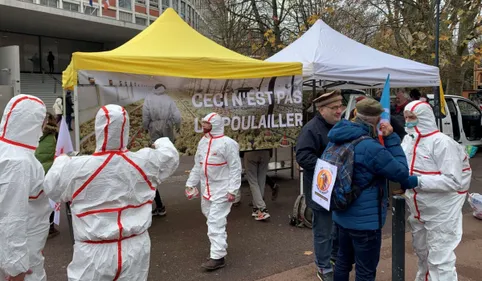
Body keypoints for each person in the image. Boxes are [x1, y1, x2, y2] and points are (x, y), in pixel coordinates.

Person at [43, 104, 180, 281]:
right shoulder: (144, 161)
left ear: (99, 128)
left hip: (93, 253)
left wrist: (62, 160)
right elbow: (170, 156)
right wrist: (161, 141)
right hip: (135, 248)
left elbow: (52, 188)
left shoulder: (76, 167)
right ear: (126, 129)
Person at [329, 99, 411, 281]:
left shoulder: (337, 136)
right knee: (365, 270)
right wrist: (391, 138)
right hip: (366, 222)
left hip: (341, 212)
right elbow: (401, 172)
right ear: (376, 119)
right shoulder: (371, 147)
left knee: (342, 261)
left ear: (356, 114)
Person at [401, 101, 472, 281]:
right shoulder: (408, 140)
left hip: (442, 211)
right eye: (406, 117)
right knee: (423, 253)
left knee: (440, 260)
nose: (408, 121)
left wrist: (418, 180)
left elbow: (453, 180)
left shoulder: (442, 143)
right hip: (419, 209)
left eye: (412, 117)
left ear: (424, 117)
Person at [0, 94, 51, 281]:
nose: (44, 125)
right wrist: (16, 268)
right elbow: (11, 216)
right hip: (22, 262)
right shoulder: (18, 161)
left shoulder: (9, 151)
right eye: (42, 119)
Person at [295, 90, 343, 281]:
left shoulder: (340, 125)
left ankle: (333, 258)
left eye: (340, 106)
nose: (339, 110)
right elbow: (303, 157)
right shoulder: (311, 129)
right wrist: (329, 168)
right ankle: (323, 267)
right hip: (320, 190)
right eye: (334, 108)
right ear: (322, 110)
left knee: (338, 227)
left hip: (339, 190)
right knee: (323, 230)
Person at [185, 112, 242, 271]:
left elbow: (235, 168)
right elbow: (198, 165)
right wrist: (190, 184)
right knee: (210, 218)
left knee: (215, 221)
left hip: (222, 190)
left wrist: (232, 190)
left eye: (206, 124)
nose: (203, 126)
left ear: (214, 125)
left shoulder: (228, 144)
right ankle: (219, 246)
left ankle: (217, 256)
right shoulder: (203, 142)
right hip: (206, 189)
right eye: (203, 123)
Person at [143, 84, 182, 216]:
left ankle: (157, 165)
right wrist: (178, 125)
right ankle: (168, 165)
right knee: (167, 146)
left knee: (155, 147)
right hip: (167, 125)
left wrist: (145, 126)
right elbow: (176, 114)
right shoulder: (168, 99)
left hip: (154, 125)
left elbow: (145, 114)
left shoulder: (148, 99)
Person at [34, 112, 60, 239]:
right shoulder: (54, 135)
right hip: (50, 170)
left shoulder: (33, 134)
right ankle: (50, 227)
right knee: (50, 198)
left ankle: (37, 225)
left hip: (36, 170)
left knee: (36, 199)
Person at [243, 150, 271, 220]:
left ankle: (261, 208)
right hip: (266, 151)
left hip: (250, 151)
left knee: (253, 181)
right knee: (261, 180)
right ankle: (256, 208)